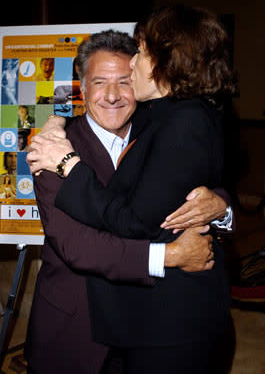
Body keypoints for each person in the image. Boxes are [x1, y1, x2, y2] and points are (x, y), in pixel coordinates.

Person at [27, 24, 234, 374]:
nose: (112, 95)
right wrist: (170, 255)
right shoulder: (54, 148)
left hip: (154, 327)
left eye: (124, 80)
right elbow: (80, 246)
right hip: (80, 331)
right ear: (81, 87)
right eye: (99, 82)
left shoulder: (162, 126)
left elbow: (202, 174)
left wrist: (221, 206)